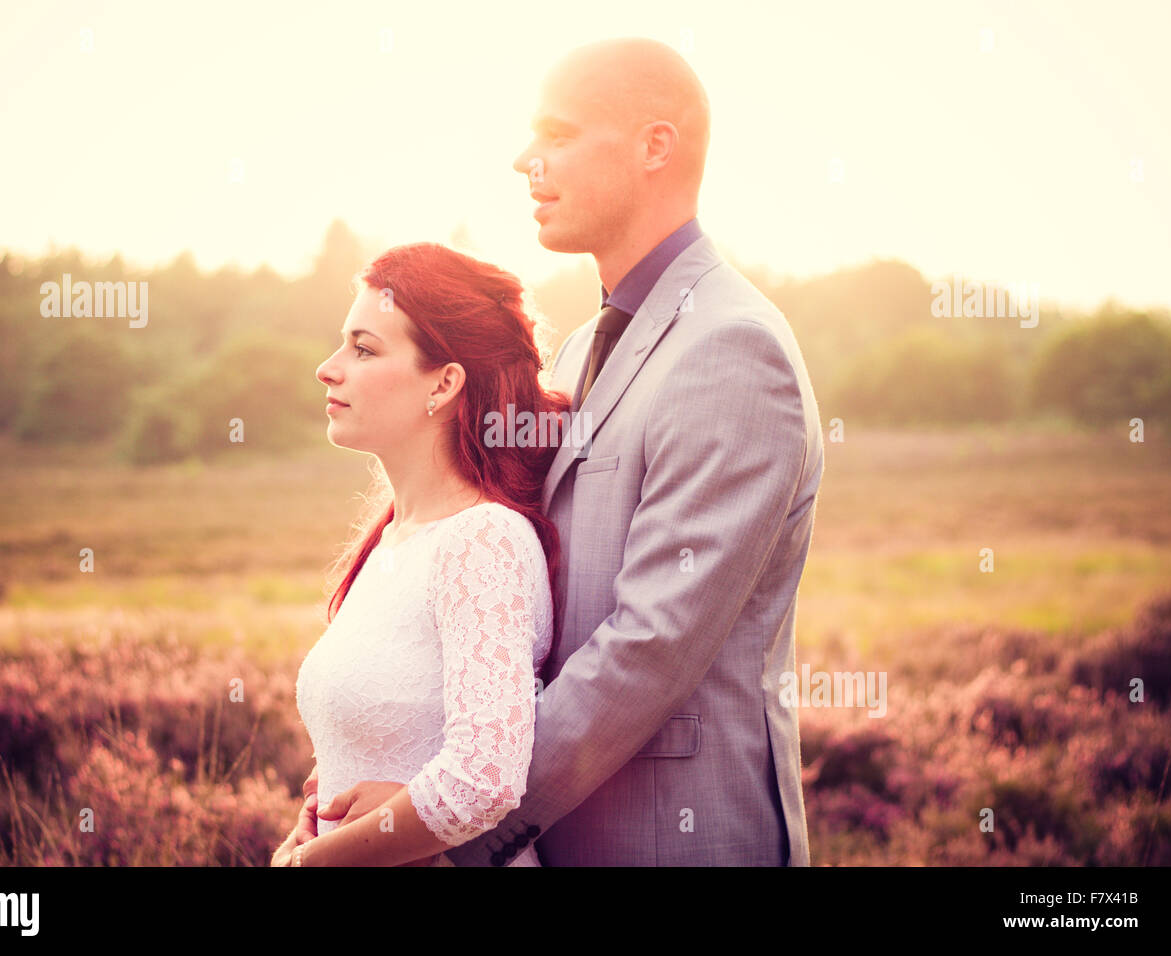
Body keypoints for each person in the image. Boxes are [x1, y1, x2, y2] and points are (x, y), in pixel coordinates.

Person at [310, 35, 823, 866]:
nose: (524, 160)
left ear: (655, 145)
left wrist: (445, 823)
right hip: (563, 836)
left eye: (557, 134)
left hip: (673, 839)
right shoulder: (582, 345)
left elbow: (650, 646)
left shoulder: (733, 349)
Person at [272, 242, 570, 866]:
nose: (328, 369)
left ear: (444, 382)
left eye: (364, 348)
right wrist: (316, 816)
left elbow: (484, 780)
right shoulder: (393, 540)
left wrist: (314, 863)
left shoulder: (482, 541)